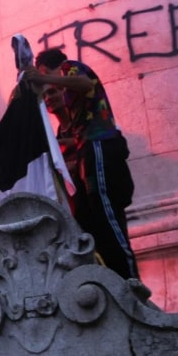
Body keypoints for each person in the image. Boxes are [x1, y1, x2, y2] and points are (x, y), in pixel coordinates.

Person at [22, 48, 139, 280]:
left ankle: (130, 278)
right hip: (89, 148)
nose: (51, 94)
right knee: (93, 215)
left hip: (98, 144)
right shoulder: (71, 121)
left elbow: (84, 84)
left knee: (105, 212)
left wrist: (43, 78)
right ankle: (116, 276)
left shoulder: (70, 67)